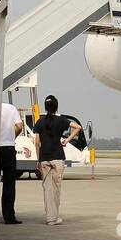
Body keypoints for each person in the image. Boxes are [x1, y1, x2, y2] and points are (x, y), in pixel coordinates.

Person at [32, 95, 81, 224]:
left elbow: (37, 142)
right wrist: (67, 139)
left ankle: (50, 218)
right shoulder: (61, 120)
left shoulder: (39, 122)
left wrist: (38, 158)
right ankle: (55, 217)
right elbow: (78, 127)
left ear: (45, 107)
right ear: (56, 106)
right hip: (58, 157)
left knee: (47, 188)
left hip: (44, 158)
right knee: (56, 188)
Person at [0, 99, 23, 224]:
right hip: (8, 148)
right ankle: (9, 216)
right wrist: (12, 136)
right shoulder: (11, 108)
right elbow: (19, 126)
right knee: (9, 183)